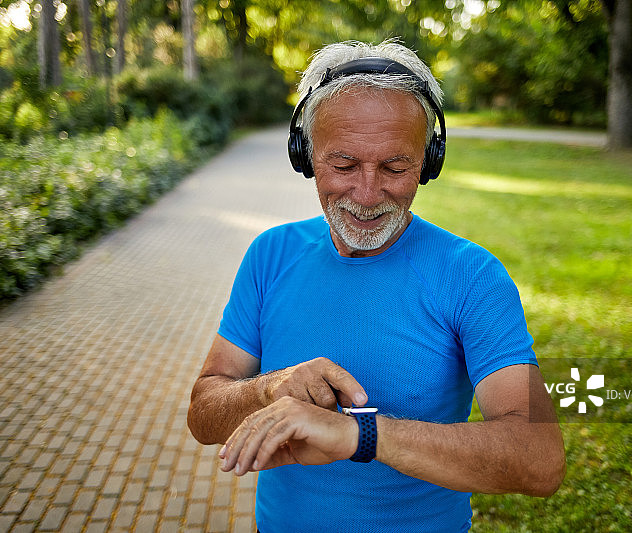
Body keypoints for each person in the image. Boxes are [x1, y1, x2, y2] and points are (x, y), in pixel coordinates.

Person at [187, 40, 565, 533]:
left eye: (395, 167)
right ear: (305, 155)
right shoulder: (270, 254)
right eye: (343, 165)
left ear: (428, 163)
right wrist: (269, 388)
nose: (367, 195)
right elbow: (203, 415)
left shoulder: (472, 276)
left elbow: (539, 458)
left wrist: (359, 435)